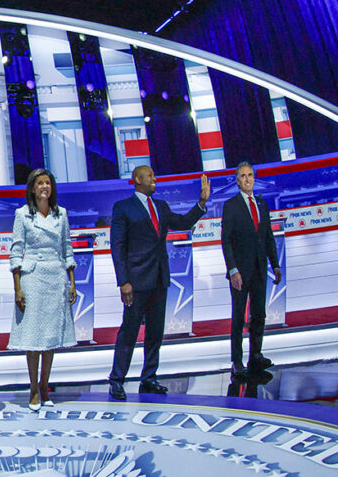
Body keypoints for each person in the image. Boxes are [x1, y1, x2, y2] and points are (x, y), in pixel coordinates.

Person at [108, 165, 209, 401]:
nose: (155, 178)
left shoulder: (161, 207)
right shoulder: (123, 207)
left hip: (159, 279)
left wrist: (201, 203)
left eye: (154, 174)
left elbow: (183, 222)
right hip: (136, 281)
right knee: (129, 332)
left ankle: (149, 378)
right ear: (137, 180)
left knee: (155, 332)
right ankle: (117, 380)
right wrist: (123, 281)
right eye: (150, 176)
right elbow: (117, 247)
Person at [8, 168, 77, 411]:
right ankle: (33, 389)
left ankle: (45, 386)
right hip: (32, 277)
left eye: (48, 182)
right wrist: (17, 287)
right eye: (40, 183)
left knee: (50, 338)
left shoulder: (62, 214)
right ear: (32, 188)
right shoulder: (22, 214)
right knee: (34, 338)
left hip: (56, 276)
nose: (44, 187)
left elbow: (66, 248)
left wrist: (72, 282)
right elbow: (16, 251)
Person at [221, 162, 281, 376]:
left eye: (250, 175)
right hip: (240, 272)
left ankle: (255, 355)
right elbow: (226, 241)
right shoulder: (231, 205)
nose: (247, 179)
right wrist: (232, 270)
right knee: (238, 317)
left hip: (259, 268)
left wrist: (275, 264)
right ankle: (237, 362)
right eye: (243, 176)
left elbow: (268, 237)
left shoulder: (262, 204)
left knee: (259, 315)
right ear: (237, 180)